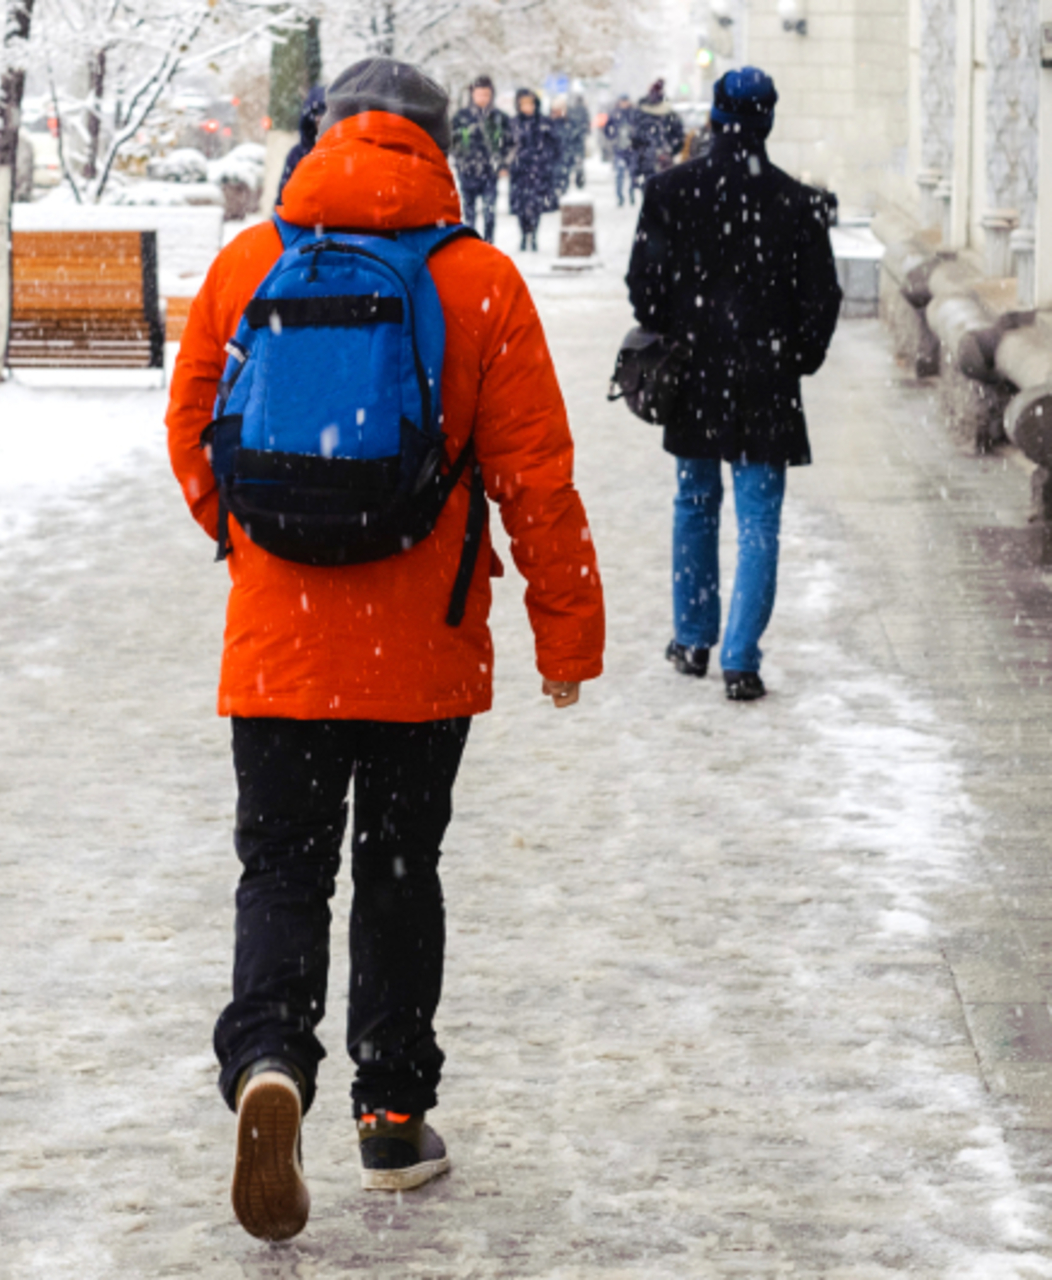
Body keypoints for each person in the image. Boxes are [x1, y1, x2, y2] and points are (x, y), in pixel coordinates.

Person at [167, 55, 605, 1241]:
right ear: (437, 142)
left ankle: (267, 1059)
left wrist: (254, 541)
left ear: (324, 133)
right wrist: (567, 635)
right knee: (399, 871)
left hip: (279, 646)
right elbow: (537, 482)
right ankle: (391, 1114)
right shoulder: (477, 282)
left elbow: (191, 429)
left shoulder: (249, 265)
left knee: (281, 868)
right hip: (423, 652)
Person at [625, 66, 841, 701]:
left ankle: (693, 638)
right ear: (768, 120)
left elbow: (645, 289)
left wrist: (678, 328)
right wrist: (793, 356)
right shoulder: (797, 204)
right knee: (758, 522)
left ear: (717, 117)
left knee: (694, 501)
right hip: (766, 379)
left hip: (695, 373)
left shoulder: (670, 191)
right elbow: (821, 299)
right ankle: (741, 659)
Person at [449, 74, 511, 243]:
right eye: (479, 94)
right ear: (472, 94)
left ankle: (489, 243)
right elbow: (451, 142)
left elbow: (510, 142)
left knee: (489, 211)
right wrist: (459, 158)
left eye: (486, 94)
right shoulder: (461, 117)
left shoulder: (499, 117)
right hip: (467, 170)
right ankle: (471, 243)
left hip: (490, 171)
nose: (483, 98)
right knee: (469, 212)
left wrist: (504, 164)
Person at [509, 88, 559, 252]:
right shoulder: (514, 123)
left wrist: (547, 160)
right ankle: (524, 235)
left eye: (529, 103)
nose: (527, 107)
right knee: (521, 207)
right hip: (519, 172)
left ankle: (534, 236)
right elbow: (508, 145)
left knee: (536, 207)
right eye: (523, 104)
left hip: (539, 171)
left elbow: (555, 145)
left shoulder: (544, 122)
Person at [627, 79, 685, 187]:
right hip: (657, 161)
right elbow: (679, 137)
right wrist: (670, 150)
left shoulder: (641, 112)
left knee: (651, 191)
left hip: (649, 161)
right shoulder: (669, 114)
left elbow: (634, 138)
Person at [276, 85, 327, 202]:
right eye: (317, 112)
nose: (320, 118)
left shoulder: (343, 155)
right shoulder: (297, 155)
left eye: (325, 112)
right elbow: (282, 200)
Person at [603, 93, 635, 206]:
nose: (624, 103)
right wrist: (612, 138)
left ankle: (631, 195)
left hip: (632, 148)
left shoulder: (633, 113)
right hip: (619, 149)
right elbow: (607, 128)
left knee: (633, 174)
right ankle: (620, 197)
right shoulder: (615, 113)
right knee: (620, 174)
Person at [567, 94, 591, 188]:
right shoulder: (584, 110)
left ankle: (573, 179)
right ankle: (580, 181)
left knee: (571, 160)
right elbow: (587, 125)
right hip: (580, 140)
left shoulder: (571, 110)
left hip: (572, 140)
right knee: (580, 161)